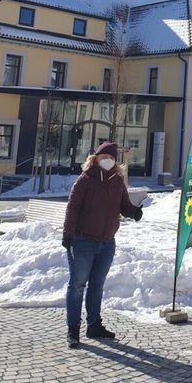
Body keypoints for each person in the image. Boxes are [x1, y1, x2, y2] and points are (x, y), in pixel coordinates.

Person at [62, 141, 143, 349]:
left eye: (111, 158)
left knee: (97, 285)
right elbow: (72, 208)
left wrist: (134, 212)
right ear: (95, 158)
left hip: (106, 243)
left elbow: (123, 205)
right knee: (78, 286)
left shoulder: (117, 181)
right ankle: (73, 329)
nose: (107, 160)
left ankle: (94, 325)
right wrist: (67, 235)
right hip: (82, 241)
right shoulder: (85, 180)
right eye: (103, 157)